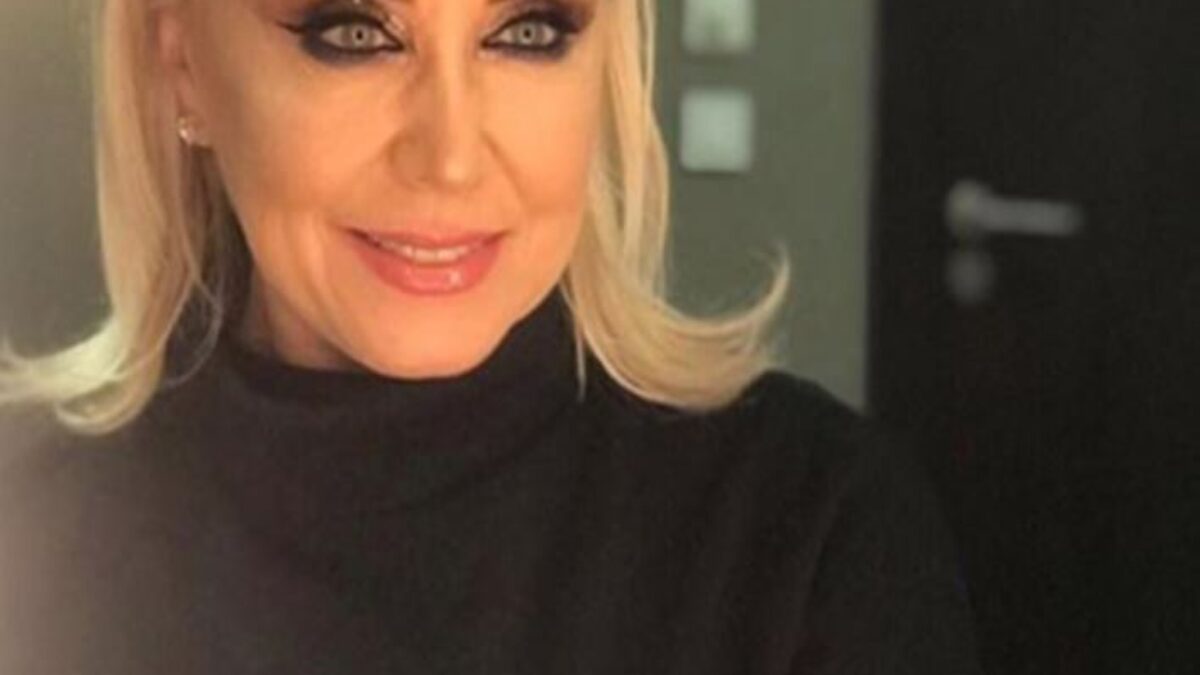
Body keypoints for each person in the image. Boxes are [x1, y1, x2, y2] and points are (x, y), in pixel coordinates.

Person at [0, 0, 982, 672]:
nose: (452, 157)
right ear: (181, 60)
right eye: (355, 33)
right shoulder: (28, 528)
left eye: (527, 32)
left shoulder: (813, 541)